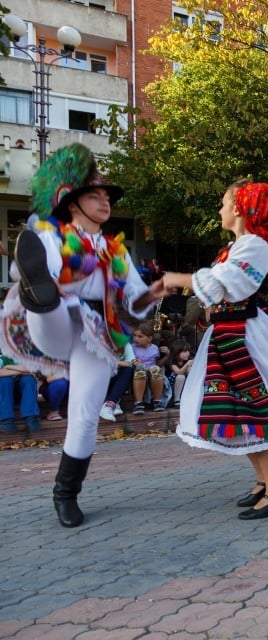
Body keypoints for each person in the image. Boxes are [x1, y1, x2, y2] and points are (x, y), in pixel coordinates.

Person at [0, 143, 166, 527]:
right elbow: (15, 272)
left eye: (107, 196)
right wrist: (46, 282)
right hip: (54, 323)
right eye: (95, 196)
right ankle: (40, 291)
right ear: (73, 204)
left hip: (97, 334)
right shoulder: (52, 234)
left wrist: (155, 292)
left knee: (86, 415)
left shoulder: (116, 252)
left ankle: (66, 493)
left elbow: (136, 302)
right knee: (51, 298)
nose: (105, 202)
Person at [164, 180, 268, 519]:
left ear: (238, 207)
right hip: (227, 334)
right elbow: (215, 291)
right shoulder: (237, 247)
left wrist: (174, 278)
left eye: (223, 203)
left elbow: (223, 283)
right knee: (236, 409)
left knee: (256, 408)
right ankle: (266, 480)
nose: (219, 210)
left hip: (244, 336)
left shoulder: (255, 245)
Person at [130, 323, 170, 414]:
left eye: (140, 336)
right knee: (140, 370)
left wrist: (166, 356)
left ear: (149, 338)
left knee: (155, 369)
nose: (136, 338)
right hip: (138, 372)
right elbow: (131, 361)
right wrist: (137, 363)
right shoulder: (132, 348)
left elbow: (157, 364)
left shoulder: (155, 348)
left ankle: (157, 401)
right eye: (135, 336)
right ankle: (138, 403)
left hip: (152, 372)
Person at [0, 355, 41, 434]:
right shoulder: (1, 358)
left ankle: (31, 418)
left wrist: (7, 367)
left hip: (24, 393)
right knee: (4, 381)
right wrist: (21, 370)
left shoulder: (26, 356)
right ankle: (7, 420)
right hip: (5, 394)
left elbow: (30, 369)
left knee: (28, 379)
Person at [99, 342, 136, 422]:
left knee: (127, 371)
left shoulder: (126, 345)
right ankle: (113, 403)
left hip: (115, 377)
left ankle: (110, 404)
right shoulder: (99, 344)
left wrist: (113, 362)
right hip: (100, 379)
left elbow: (130, 364)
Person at [166, 339, 193, 410]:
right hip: (173, 386)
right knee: (180, 377)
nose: (187, 353)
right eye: (183, 351)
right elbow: (178, 372)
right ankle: (176, 400)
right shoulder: (172, 362)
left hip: (185, 384)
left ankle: (190, 396)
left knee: (190, 370)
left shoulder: (187, 360)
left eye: (187, 351)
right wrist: (187, 364)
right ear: (176, 353)